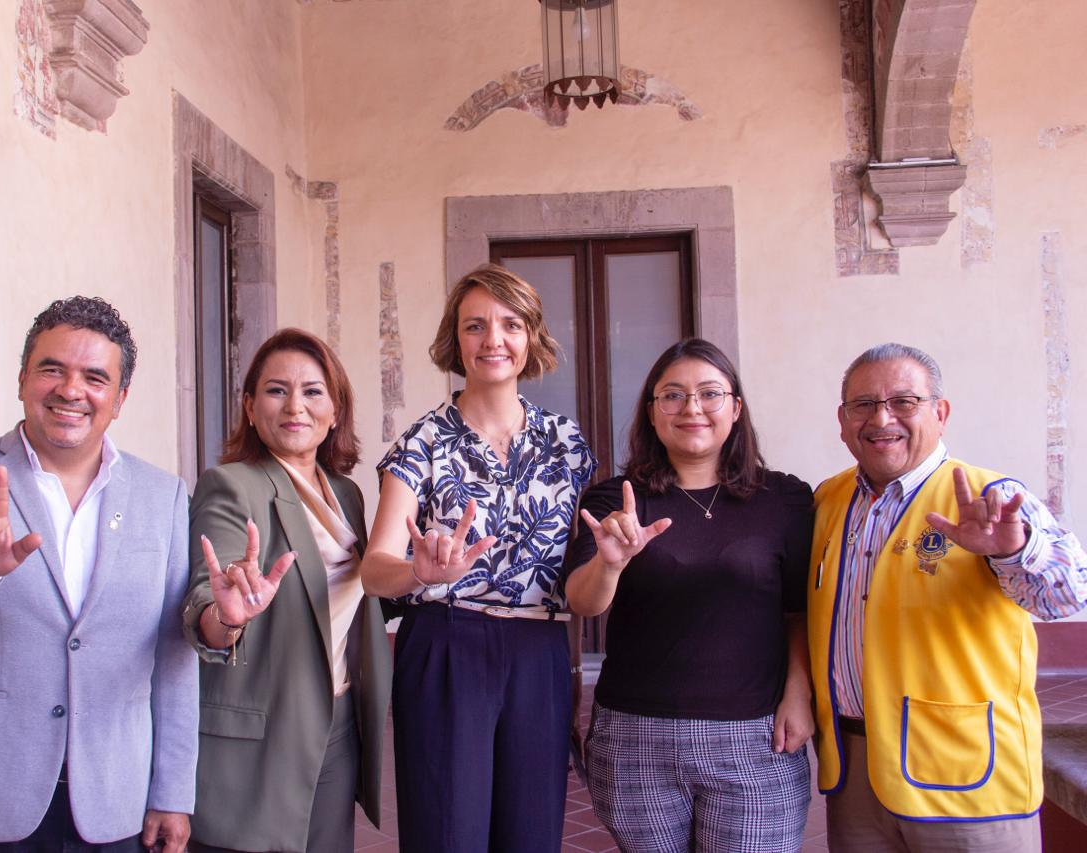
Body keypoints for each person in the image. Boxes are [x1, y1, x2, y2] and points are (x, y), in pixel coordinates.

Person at [0, 296, 197, 852]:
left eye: (95, 378)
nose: (71, 390)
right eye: (52, 369)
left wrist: (173, 791)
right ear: (23, 379)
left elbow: (173, 656)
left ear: (120, 399)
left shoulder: (162, 495)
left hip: (115, 794)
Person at [810, 342, 1087, 852]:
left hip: (966, 773)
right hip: (854, 773)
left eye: (904, 402)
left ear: (940, 413)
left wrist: (1013, 552)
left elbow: (1065, 598)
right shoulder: (828, 499)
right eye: (864, 404)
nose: (882, 418)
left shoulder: (992, 497)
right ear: (843, 420)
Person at [360, 263, 596, 852]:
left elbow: (576, 573)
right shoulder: (423, 442)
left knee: (532, 834)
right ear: (455, 339)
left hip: (539, 650)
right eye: (475, 325)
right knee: (447, 833)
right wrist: (419, 571)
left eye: (511, 324)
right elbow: (374, 568)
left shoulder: (567, 444)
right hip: (447, 643)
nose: (494, 339)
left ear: (531, 337)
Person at [564, 338, 814, 852]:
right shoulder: (617, 499)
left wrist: (799, 693)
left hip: (755, 736)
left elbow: (798, 611)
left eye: (709, 393)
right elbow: (583, 602)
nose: (692, 408)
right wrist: (611, 563)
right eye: (673, 395)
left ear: (736, 408)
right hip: (635, 737)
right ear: (652, 412)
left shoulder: (784, 498)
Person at [182, 328, 392, 853]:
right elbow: (208, 599)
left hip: (337, 719)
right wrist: (228, 616)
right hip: (265, 730)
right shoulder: (231, 485)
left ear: (335, 411)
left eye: (312, 391)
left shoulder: (345, 493)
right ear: (250, 408)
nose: (295, 406)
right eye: (276, 390)